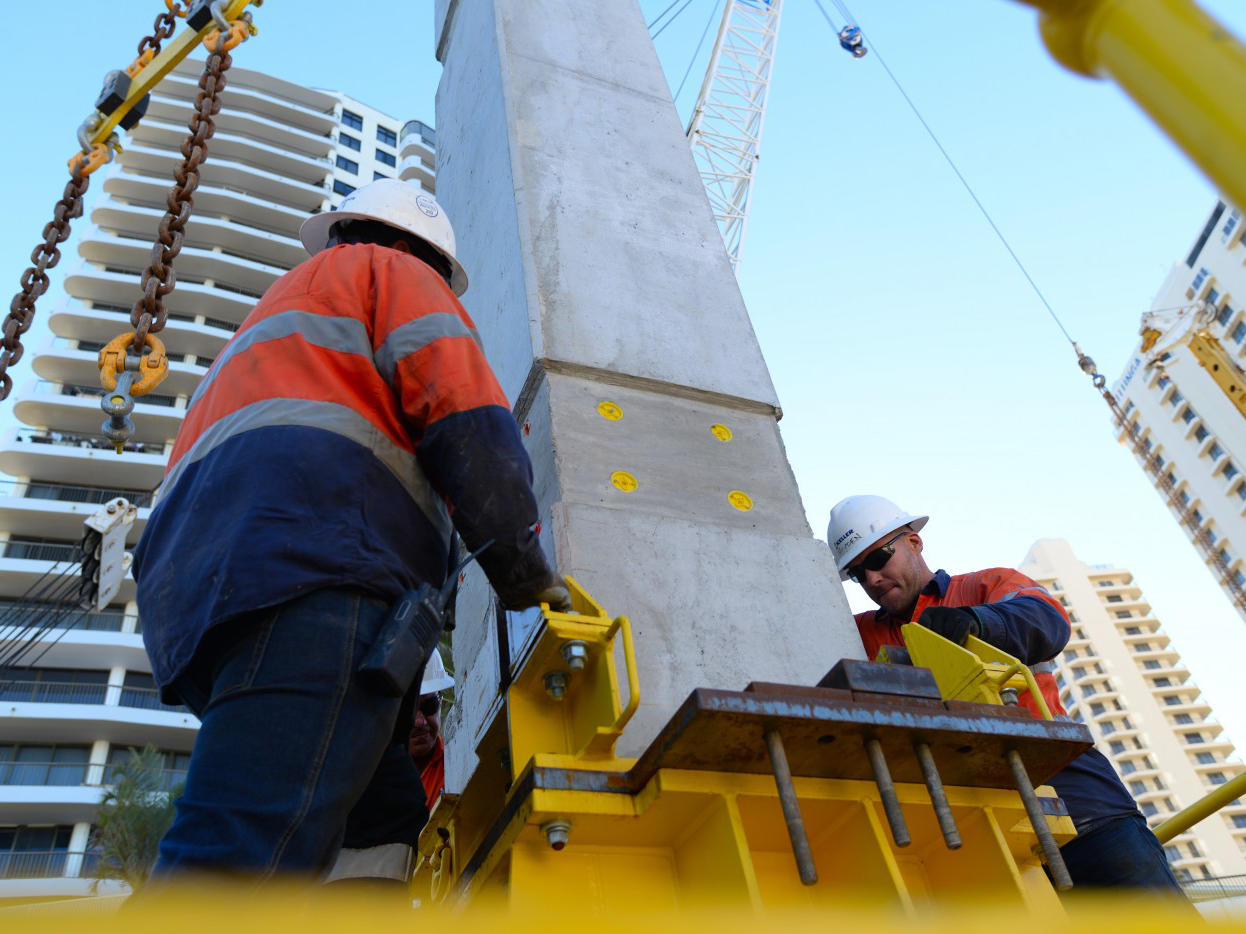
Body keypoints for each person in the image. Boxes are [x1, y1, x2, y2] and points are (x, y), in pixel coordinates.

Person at [133, 179, 570, 883]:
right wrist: (528, 577)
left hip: (202, 601)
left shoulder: (264, 325)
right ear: (415, 251)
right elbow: (470, 422)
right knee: (238, 857)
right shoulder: (395, 274)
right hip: (314, 574)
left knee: (377, 807)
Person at [827, 495, 1184, 893]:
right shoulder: (858, 634)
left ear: (914, 542)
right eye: (858, 574)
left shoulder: (986, 587)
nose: (872, 579)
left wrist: (976, 622)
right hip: (970, 823)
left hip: (1074, 796)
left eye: (878, 558)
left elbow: (1046, 620)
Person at [408, 648, 452, 811]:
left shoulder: (456, 767)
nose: (420, 722)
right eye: (409, 710)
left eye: (430, 706)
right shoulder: (366, 777)